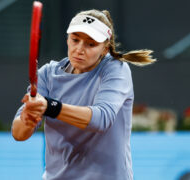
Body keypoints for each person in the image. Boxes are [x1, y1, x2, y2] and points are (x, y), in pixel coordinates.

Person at [11, 9, 155, 180]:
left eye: (90, 44)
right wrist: (28, 119)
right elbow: (18, 133)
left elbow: (101, 119)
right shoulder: (47, 75)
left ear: (104, 49)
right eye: (75, 40)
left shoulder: (116, 69)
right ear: (67, 39)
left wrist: (49, 106)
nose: (79, 49)